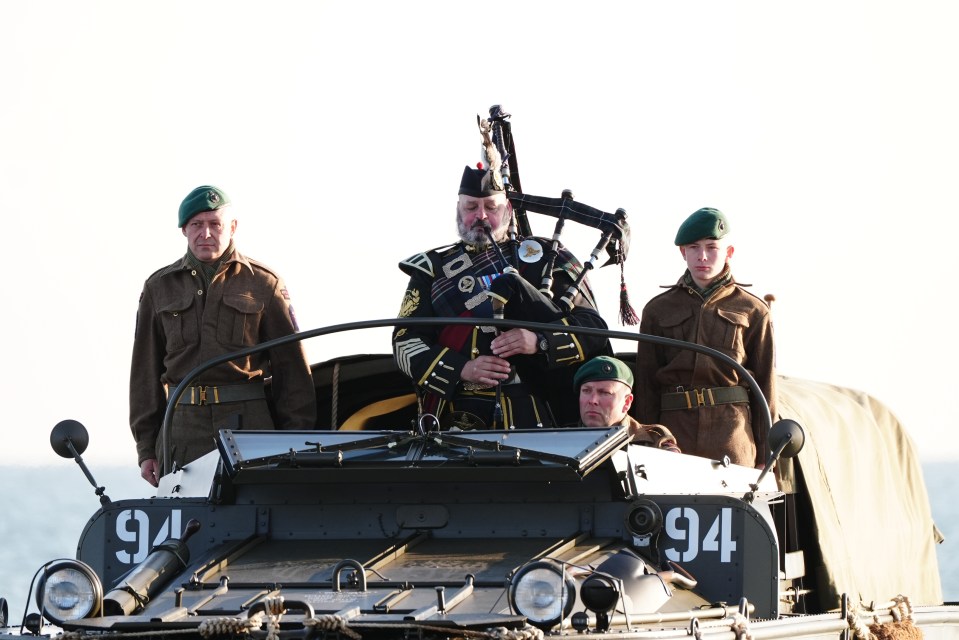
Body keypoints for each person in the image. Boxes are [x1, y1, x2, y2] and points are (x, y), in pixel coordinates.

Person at [392, 164, 611, 429]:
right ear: (458, 210)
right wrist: (462, 368)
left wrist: (539, 341)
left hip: (536, 411)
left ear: (507, 209)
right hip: (454, 413)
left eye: (491, 207)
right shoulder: (431, 268)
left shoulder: (547, 258)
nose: (481, 216)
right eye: (471, 207)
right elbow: (406, 342)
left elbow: (593, 330)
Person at [130, 185, 316, 486]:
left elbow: (292, 372)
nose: (206, 234)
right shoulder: (158, 288)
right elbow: (144, 374)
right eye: (196, 225)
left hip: (249, 426)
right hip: (182, 428)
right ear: (184, 230)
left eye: (215, 224)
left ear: (232, 227)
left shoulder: (264, 284)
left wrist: (295, 441)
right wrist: (146, 448)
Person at [635, 207, 776, 468]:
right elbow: (646, 385)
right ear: (682, 252)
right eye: (693, 247)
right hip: (674, 436)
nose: (702, 256)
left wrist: (767, 456)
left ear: (728, 252)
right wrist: (646, 444)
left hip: (732, 434)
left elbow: (766, 386)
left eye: (712, 247)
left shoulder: (753, 310)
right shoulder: (657, 310)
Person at [575, 355, 680, 451]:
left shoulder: (655, 442)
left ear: (627, 402)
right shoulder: (560, 441)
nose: (593, 400)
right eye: (586, 391)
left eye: (604, 393)